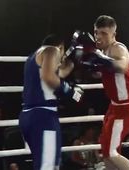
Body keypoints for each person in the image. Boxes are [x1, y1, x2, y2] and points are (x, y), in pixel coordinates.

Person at [76, 15, 129, 170]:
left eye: (104, 33)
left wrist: (101, 59)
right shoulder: (102, 51)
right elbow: (101, 74)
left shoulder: (118, 48)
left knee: (111, 152)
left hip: (126, 107)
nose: (98, 36)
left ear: (113, 34)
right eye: (97, 32)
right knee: (106, 151)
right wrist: (91, 64)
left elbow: (122, 65)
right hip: (114, 107)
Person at [19, 33, 83, 170]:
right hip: (43, 116)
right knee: (47, 167)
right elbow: (49, 77)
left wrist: (70, 66)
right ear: (60, 47)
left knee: (46, 164)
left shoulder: (33, 57)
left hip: (28, 116)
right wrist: (69, 90)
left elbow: (55, 74)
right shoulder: (51, 50)